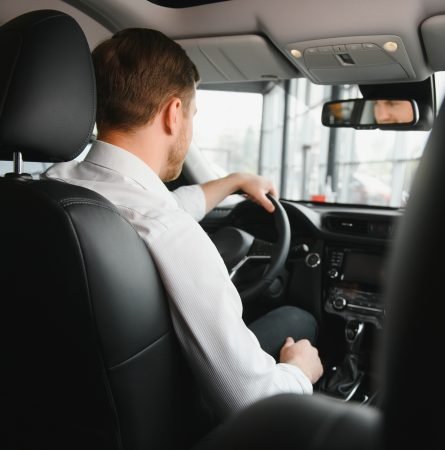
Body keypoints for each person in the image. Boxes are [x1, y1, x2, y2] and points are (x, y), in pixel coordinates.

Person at [41, 28, 323, 421]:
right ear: (174, 114)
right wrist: (299, 372)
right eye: (193, 115)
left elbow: (154, 207)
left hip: (64, 404)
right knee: (299, 320)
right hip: (165, 420)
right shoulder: (172, 235)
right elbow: (250, 401)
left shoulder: (53, 187)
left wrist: (235, 181)